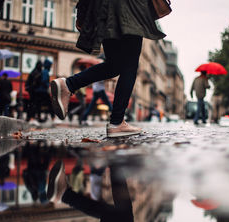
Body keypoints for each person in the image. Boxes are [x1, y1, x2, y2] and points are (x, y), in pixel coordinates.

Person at [50, 0, 166, 137]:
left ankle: (69, 84)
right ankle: (117, 122)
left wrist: (81, 13)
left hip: (104, 7)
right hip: (129, 8)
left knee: (114, 65)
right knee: (130, 65)